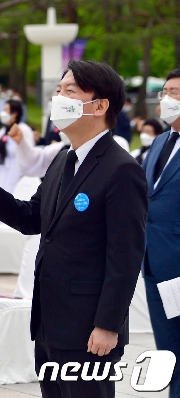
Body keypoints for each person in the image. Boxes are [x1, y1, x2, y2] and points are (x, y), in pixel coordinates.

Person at [0, 60, 147, 397]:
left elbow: (125, 257)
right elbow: (33, 217)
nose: (58, 98)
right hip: (51, 321)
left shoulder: (121, 169)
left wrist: (108, 324)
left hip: (89, 326)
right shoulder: (64, 160)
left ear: (99, 106)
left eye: (69, 91)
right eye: (57, 90)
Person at [141, 68, 180, 398]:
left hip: (178, 260)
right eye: (166, 92)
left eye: (176, 92)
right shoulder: (159, 142)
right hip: (153, 261)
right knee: (168, 349)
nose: (168, 99)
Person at [0, 98, 34, 194]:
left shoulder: (23, 130)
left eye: (6, 110)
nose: (3, 113)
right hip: (3, 169)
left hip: (17, 171)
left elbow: (28, 152)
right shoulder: (3, 131)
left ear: (14, 113)